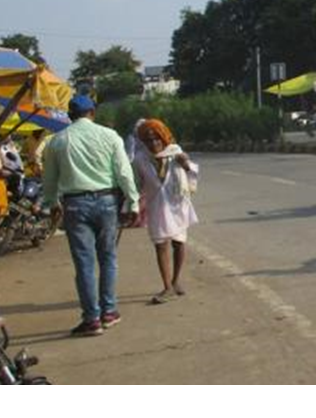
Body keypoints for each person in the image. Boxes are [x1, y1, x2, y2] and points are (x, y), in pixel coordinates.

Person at [42, 95, 139, 337]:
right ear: (92, 112)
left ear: (69, 115)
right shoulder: (109, 135)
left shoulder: (57, 141)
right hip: (107, 201)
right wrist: (133, 202)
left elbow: (50, 179)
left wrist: (52, 203)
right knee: (108, 258)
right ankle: (109, 311)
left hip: (74, 205)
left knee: (84, 263)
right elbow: (124, 172)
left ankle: (92, 319)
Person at [133, 119, 199, 304]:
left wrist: (185, 163)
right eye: (148, 140)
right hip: (156, 207)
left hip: (177, 205)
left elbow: (192, 174)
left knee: (179, 243)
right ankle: (167, 286)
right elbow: (136, 184)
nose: (154, 143)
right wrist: (132, 205)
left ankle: (176, 280)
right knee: (160, 245)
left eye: (157, 139)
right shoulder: (139, 159)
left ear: (163, 137)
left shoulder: (175, 152)